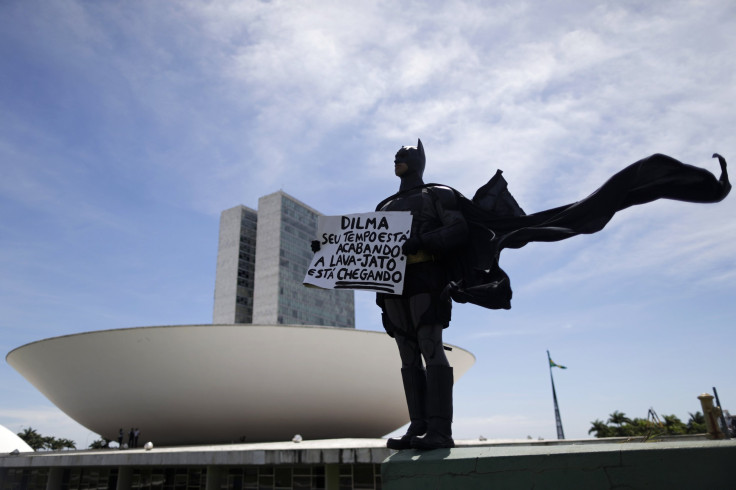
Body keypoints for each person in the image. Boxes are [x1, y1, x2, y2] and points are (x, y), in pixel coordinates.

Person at [376, 139, 469, 450]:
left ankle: (440, 431)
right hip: (393, 282)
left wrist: (421, 241)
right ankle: (418, 426)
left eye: (404, 156)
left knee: (430, 345)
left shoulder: (436, 194)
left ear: (419, 162)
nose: (397, 159)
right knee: (406, 351)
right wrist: (328, 249)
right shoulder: (384, 205)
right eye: (396, 157)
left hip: (427, 275)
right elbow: (370, 252)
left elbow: (458, 229)